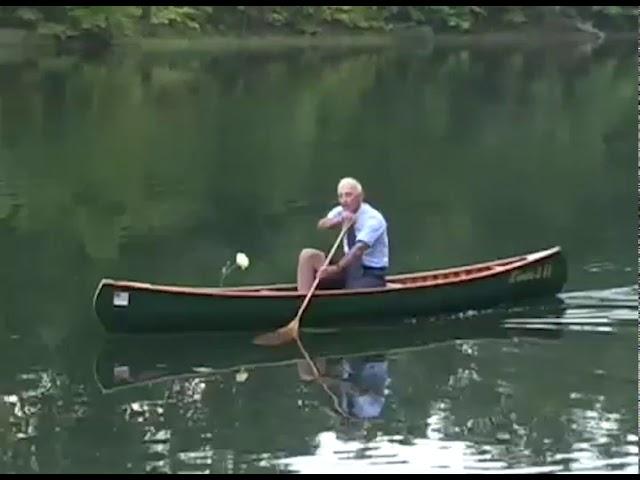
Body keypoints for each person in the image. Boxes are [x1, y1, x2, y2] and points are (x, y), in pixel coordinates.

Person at [297, 177, 389, 292]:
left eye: (348, 195)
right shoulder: (341, 211)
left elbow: (358, 250)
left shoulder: (373, 219)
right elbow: (321, 224)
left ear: (360, 196)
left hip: (369, 272)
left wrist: (335, 268)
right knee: (307, 255)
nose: (344, 200)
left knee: (353, 291)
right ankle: (302, 298)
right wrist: (338, 220)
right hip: (348, 269)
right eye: (341, 196)